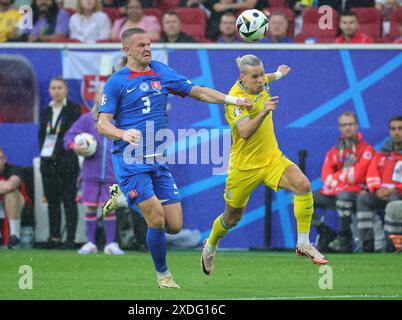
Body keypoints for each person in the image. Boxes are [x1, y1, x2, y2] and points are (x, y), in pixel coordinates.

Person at [97, 28, 251, 288]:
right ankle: (163, 276)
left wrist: (233, 98)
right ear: (127, 50)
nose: (147, 48)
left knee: (174, 225)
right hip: (130, 160)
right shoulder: (116, 81)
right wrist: (123, 134)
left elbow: (198, 91)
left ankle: (123, 199)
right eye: (140, 45)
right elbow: (102, 124)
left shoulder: (161, 72)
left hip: (157, 158)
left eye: (148, 44)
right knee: (155, 218)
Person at [200, 54, 329, 277]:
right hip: (244, 168)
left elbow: (267, 76)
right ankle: (210, 245)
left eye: (262, 74)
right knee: (231, 218)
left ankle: (303, 243)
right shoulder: (235, 99)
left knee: (303, 185)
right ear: (242, 77)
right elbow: (245, 132)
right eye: (255, 77)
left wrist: (278, 73)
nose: (261, 80)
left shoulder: (261, 81)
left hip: (271, 159)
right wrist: (263, 111)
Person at [64, 88, 125, 255]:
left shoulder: (121, 120)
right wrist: (74, 146)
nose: (105, 97)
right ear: (96, 98)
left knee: (110, 208)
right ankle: (90, 243)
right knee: (90, 207)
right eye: (101, 94)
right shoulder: (86, 120)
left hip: (112, 174)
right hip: (90, 173)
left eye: (108, 94)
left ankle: (111, 244)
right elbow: (68, 138)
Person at [313, 112, 374, 253]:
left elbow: (357, 176)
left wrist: (337, 177)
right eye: (344, 125)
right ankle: (325, 232)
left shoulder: (366, 149)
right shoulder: (333, 152)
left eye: (350, 124)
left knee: (343, 197)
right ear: (340, 128)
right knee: (303, 200)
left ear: (357, 126)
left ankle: (345, 240)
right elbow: (326, 178)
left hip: (356, 195)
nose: (347, 128)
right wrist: (343, 179)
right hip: (334, 193)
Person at [39, 76, 81, 249]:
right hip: (47, 162)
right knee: (52, 200)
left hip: (66, 161)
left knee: (69, 200)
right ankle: (54, 236)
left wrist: (56, 153)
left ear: (66, 90)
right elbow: (41, 135)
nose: (56, 91)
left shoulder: (73, 109)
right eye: (53, 88)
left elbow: (70, 135)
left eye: (59, 88)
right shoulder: (45, 110)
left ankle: (70, 238)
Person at [358, 116, 402, 252]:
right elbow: (372, 173)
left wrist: (395, 189)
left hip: (398, 195)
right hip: (381, 194)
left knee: (395, 201)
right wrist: (376, 189)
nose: (396, 132)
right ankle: (367, 243)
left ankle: (392, 244)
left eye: (400, 128)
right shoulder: (381, 154)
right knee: (363, 198)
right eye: (393, 129)